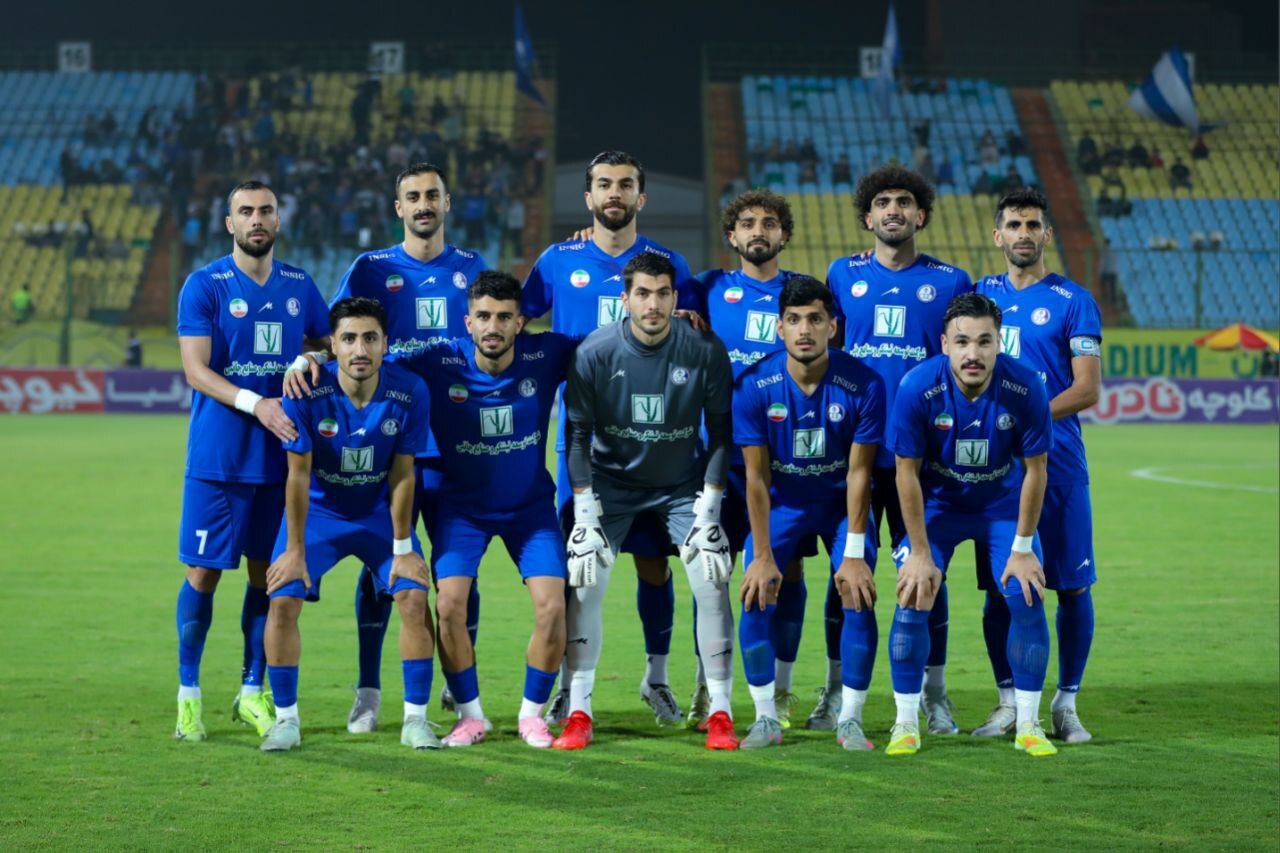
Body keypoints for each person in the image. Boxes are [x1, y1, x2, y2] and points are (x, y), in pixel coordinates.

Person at [308, 163, 487, 733]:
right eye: (413, 196)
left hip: (458, 443)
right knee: (382, 566)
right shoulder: (370, 268)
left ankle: (457, 685)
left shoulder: (472, 267)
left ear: (447, 203)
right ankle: (368, 691)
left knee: (457, 571)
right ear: (398, 208)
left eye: (432, 195)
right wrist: (307, 358)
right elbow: (335, 334)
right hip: (388, 444)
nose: (423, 204)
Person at [521, 150, 698, 727]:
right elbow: (515, 323)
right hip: (584, 446)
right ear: (588, 197)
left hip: (653, 445)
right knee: (580, 570)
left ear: (641, 197)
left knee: (654, 566)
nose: (614, 193)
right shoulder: (558, 260)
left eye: (625, 184)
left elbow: (694, 335)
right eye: (603, 184)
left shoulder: (670, 265)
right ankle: (568, 689)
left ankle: (657, 679)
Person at [553, 251, 739, 751]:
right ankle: (579, 712)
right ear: (625, 299)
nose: (652, 304)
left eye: (662, 294)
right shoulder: (595, 351)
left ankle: (721, 713)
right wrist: (585, 513)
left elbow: (721, 435)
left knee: (712, 579)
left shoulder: (704, 347)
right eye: (642, 293)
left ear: (676, 297)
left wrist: (710, 509)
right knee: (585, 579)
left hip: (681, 485)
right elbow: (576, 437)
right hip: (610, 484)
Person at [174, 180, 329, 742]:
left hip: (281, 459)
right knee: (203, 573)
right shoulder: (204, 285)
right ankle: (188, 695)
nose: (256, 219)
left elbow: (329, 340)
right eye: (246, 211)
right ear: (230, 223)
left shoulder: (299, 285)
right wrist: (256, 402)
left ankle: (251, 691)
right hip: (218, 458)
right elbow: (196, 370)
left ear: (278, 221)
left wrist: (311, 357)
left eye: (265, 210)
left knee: (268, 576)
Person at [396, 272, 575, 749]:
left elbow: (611, 346)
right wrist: (313, 359)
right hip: (462, 511)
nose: (493, 326)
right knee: (449, 605)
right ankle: (470, 716)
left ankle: (532, 715)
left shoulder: (548, 353)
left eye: (503, 317)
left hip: (529, 509)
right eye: (483, 317)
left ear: (520, 322)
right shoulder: (438, 359)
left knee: (553, 605)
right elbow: (370, 362)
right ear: (467, 322)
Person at [824, 165, 973, 734]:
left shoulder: (952, 281)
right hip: (856, 457)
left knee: (926, 573)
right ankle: (836, 692)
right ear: (868, 216)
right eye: (883, 202)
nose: (893, 210)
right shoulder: (842, 274)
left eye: (904, 202)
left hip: (925, 460)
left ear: (921, 214)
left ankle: (935, 695)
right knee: (847, 571)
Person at [260, 298, 436, 752]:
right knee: (283, 598)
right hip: (320, 515)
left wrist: (403, 548)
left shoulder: (410, 390)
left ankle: (416, 721)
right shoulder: (304, 390)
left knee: (414, 596)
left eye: (370, 338)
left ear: (385, 344)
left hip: (378, 514)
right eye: (350, 339)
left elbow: (403, 473)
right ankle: (286, 721)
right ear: (332, 346)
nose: (361, 349)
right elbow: (297, 475)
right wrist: (294, 550)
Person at [885, 292, 1056, 757]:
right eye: (962, 342)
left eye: (984, 341)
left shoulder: (1026, 386)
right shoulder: (917, 386)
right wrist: (920, 553)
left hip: (1001, 507)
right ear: (945, 344)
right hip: (938, 508)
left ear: (1000, 343)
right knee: (914, 591)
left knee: (1025, 593)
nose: (973, 353)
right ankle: (905, 724)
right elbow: (905, 473)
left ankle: (1029, 724)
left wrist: (1023, 547)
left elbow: (1036, 470)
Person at [733, 277, 885, 751]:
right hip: (783, 504)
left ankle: (850, 719)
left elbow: (860, 474)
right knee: (756, 593)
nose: (805, 330)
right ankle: (765, 718)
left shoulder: (865, 384)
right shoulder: (753, 384)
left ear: (832, 326)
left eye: (815, 319)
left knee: (858, 593)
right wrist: (762, 554)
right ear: (779, 328)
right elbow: (756, 478)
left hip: (841, 506)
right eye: (794, 320)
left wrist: (854, 554)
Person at [974, 188, 1102, 743]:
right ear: (997, 236)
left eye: (1032, 225)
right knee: (1001, 588)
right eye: (1013, 225)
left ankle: (1066, 703)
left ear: (1047, 234)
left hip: (1060, 464)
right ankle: (1009, 701)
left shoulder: (1075, 300)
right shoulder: (980, 295)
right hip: (995, 471)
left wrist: (1025, 417)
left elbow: (1087, 389)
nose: (1023, 234)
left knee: (1072, 587)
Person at [682, 189, 806, 729]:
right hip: (716, 456)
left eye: (770, 223)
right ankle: (707, 685)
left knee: (787, 570)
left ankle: (781, 686)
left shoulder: (803, 294)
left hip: (785, 460)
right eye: (748, 223)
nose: (759, 231)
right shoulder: (707, 288)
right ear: (731, 236)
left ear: (785, 234)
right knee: (711, 571)